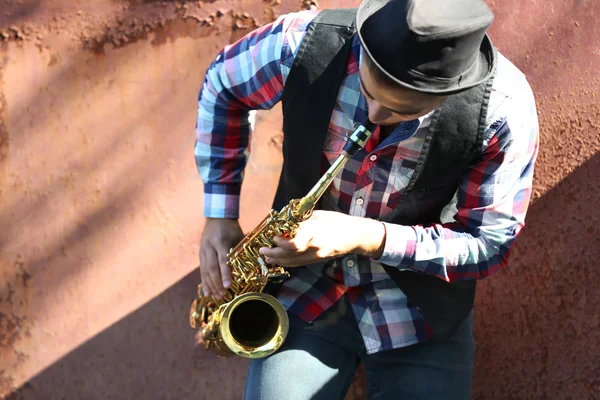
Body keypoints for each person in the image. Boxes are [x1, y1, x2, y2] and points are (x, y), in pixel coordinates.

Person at [194, 0, 539, 398]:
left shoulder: (503, 110)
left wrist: (367, 237)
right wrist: (219, 214)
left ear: (448, 91)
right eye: (369, 88)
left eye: (399, 110)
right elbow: (223, 85)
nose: (373, 115)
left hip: (421, 312)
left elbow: (489, 243)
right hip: (303, 291)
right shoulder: (299, 42)